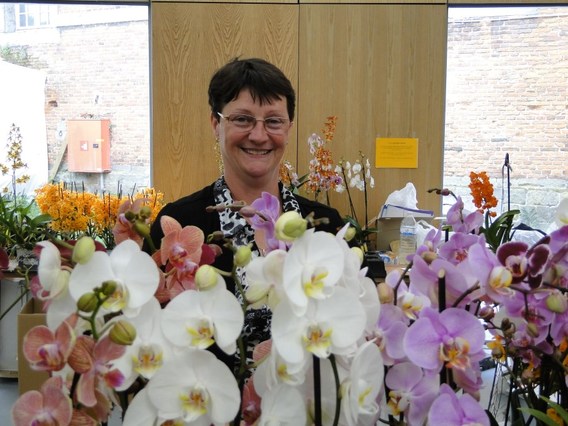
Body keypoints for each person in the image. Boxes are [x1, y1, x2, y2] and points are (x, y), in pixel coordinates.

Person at [148, 57, 345, 370]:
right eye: (242, 119)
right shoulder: (179, 226)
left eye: (273, 121)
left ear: (289, 128)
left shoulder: (325, 227)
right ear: (216, 124)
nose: (258, 135)